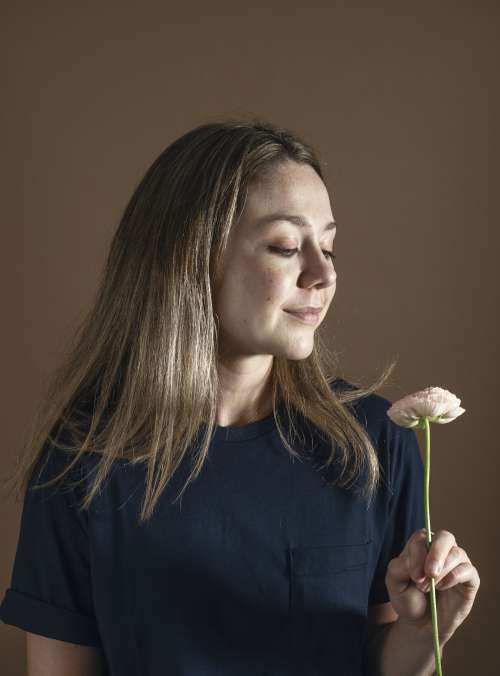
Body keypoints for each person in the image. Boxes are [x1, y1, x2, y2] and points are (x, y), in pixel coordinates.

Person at [0, 119, 479, 675]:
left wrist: (423, 633)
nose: (323, 273)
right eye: (284, 245)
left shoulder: (376, 441)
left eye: (328, 245)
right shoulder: (83, 456)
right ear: (191, 257)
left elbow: (372, 661)